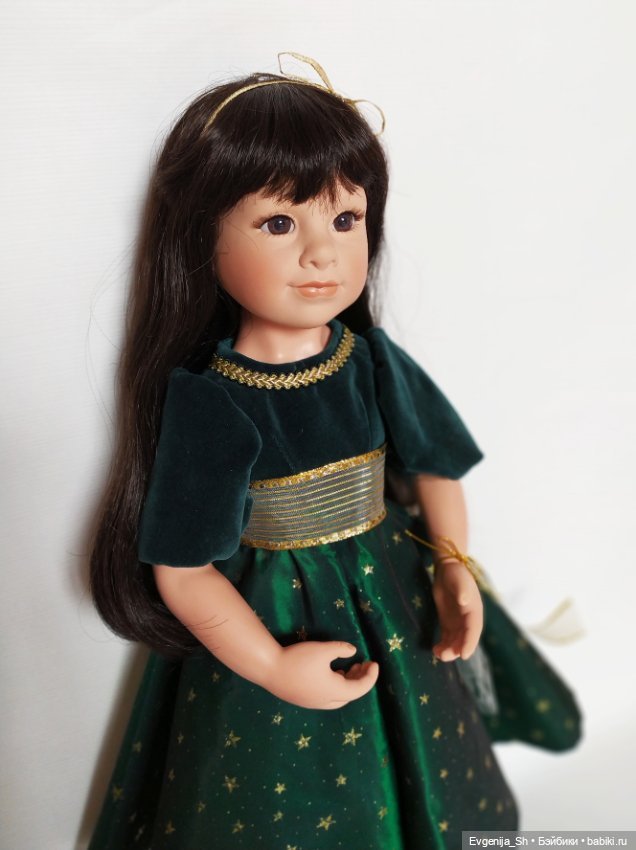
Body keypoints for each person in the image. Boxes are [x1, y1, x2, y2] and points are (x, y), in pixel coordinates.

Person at [88, 54, 581, 850]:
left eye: (345, 220)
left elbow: (436, 465)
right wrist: (271, 667)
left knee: (428, 760)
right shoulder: (214, 401)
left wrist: (454, 566)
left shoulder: (370, 360)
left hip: (396, 590)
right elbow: (183, 570)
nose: (322, 253)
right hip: (277, 622)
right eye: (279, 223)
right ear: (202, 237)